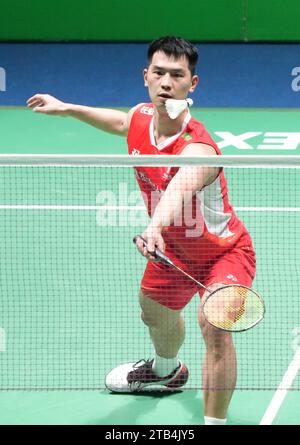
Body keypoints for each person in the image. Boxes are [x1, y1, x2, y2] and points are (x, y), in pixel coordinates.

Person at [27, 36, 256, 425]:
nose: (166, 82)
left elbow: (181, 186)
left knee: (214, 325)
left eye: (177, 75)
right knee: (153, 311)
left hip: (224, 252)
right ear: (146, 76)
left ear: (192, 84)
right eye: (160, 73)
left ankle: (213, 423)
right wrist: (66, 108)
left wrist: (153, 226)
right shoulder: (141, 117)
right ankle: (166, 372)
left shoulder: (198, 148)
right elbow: (120, 121)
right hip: (172, 252)